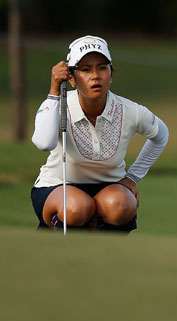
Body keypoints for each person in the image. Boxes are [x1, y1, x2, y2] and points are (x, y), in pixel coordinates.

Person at [30, 35, 169, 232]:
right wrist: (54, 90)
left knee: (122, 204)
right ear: (71, 78)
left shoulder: (130, 110)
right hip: (58, 186)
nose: (95, 76)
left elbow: (161, 136)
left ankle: (104, 257)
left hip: (109, 187)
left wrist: (132, 178)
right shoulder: (57, 103)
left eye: (102, 68)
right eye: (85, 69)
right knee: (77, 208)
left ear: (111, 74)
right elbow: (44, 143)